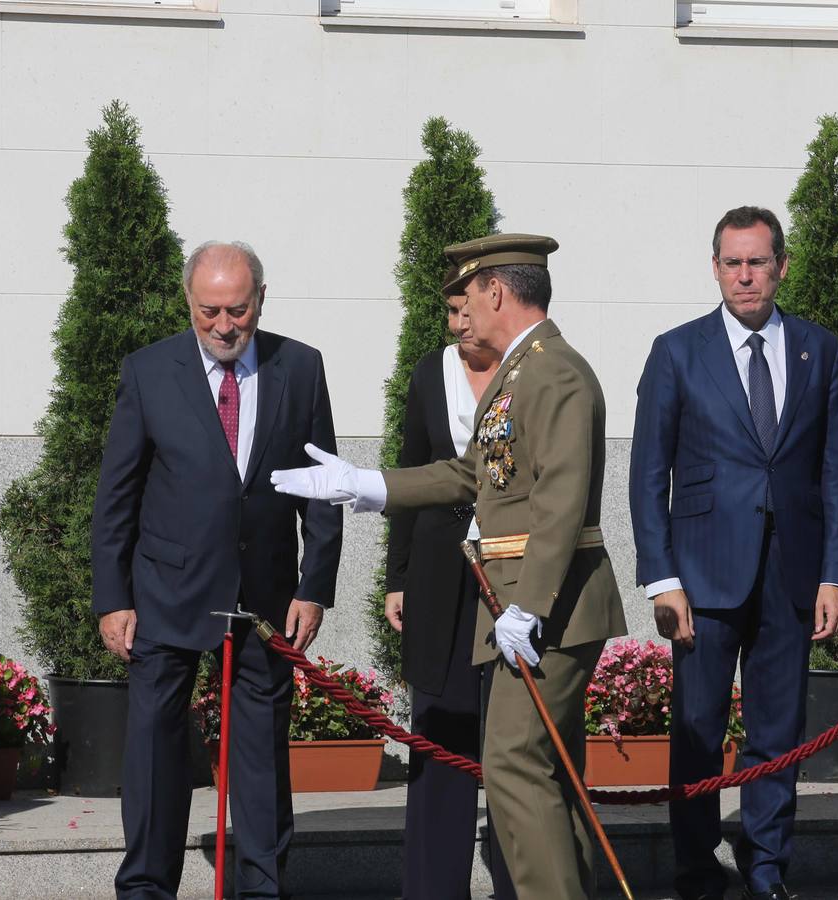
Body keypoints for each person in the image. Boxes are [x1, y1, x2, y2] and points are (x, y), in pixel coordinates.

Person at [271, 233, 627, 900]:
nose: (464, 310)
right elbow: (473, 474)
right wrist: (369, 485)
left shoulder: (554, 373)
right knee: (551, 769)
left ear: (497, 291)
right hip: (532, 603)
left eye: (471, 294)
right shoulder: (525, 370)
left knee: (516, 762)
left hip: (545, 605)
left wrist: (530, 606)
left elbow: (561, 495)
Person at [91, 240, 343, 899]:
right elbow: (117, 495)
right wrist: (112, 597)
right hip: (167, 593)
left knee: (259, 756)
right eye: (209, 312)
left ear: (260, 300)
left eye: (238, 310)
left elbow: (323, 486)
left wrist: (314, 587)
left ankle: (261, 885)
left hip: (265, 599)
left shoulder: (302, 368)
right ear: (189, 302)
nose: (224, 325)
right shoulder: (149, 372)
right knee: (153, 754)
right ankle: (147, 885)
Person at [629, 206, 838, 900]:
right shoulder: (677, 350)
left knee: (778, 732)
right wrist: (661, 578)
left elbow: (835, 472)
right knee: (696, 732)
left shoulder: (820, 350)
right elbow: (647, 473)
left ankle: (765, 872)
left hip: (791, 574)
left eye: (758, 261)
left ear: (781, 265)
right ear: (716, 268)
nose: (745, 275)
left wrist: (833, 575)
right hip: (699, 579)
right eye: (733, 263)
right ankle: (697, 871)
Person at [384, 270, 514, 899]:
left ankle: (522, 882)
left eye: (470, 310)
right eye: (452, 313)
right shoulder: (427, 374)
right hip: (439, 575)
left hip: (513, 575)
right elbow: (410, 474)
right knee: (439, 732)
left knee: (514, 742)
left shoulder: (532, 370)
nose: (462, 324)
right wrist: (398, 577)